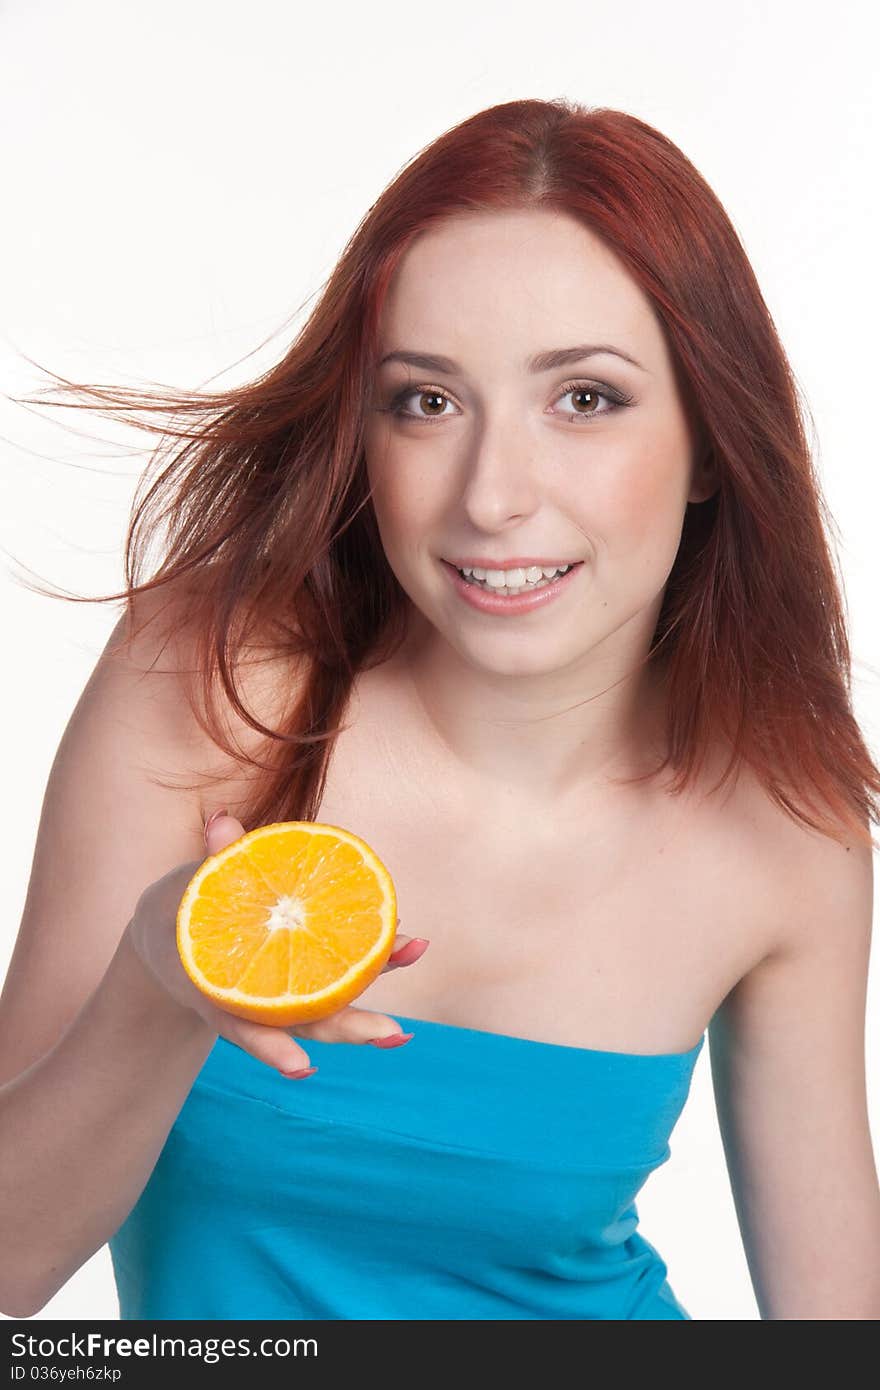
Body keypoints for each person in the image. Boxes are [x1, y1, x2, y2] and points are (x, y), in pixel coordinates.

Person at [1, 97, 879, 1322]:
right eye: (427, 401)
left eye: (584, 400)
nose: (493, 496)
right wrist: (157, 986)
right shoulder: (207, 683)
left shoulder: (790, 824)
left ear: (712, 446)